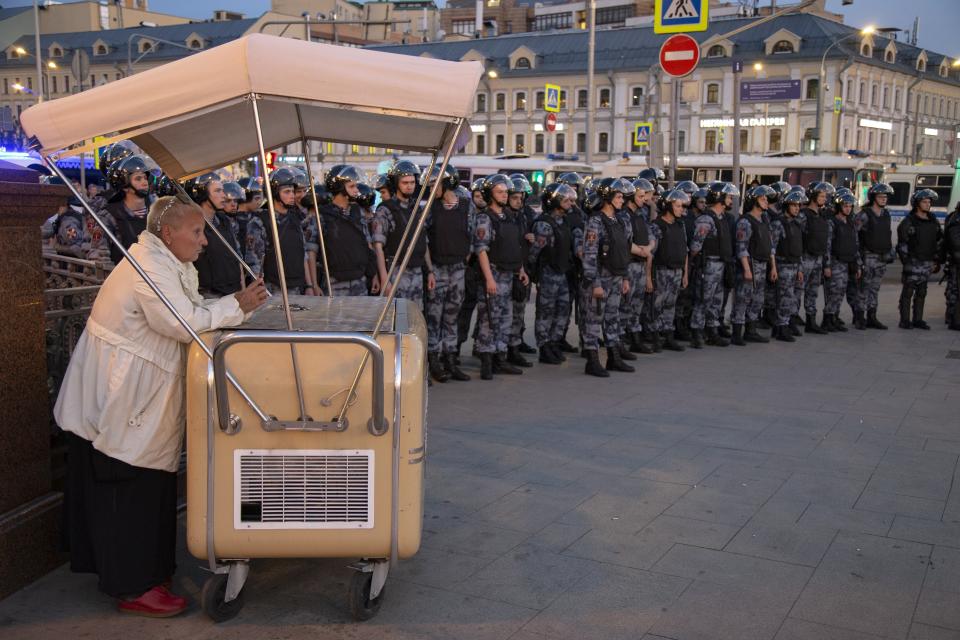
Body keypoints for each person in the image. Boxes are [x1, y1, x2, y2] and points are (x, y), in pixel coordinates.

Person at [54, 196, 267, 617]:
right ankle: (133, 585)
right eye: (197, 232)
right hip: (121, 403)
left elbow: (192, 309)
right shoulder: (147, 267)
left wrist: (230, 308)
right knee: (127, 491)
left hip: (138, 399)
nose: (204, 242)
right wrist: (236, 306)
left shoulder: (166, 261)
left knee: (148, 490)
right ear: (168, 233)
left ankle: (149, 573)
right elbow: (181, 321)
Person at [472, 173, 529, 380]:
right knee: (489, 320)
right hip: (494, 275)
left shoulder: (510, 217)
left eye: (506, 192)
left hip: (509, 275)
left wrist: (520, 270)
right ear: (490, 194)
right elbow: (481, 250)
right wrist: (489, 279)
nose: (505, 196)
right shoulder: (484, 218)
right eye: (500, 192)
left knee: (505, 319)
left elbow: (515, 246)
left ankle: (500, 358)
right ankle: (487, 362)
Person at [581, 178, 635, 376]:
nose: (622, 200)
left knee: (613, 318)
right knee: (594, 319)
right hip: (600, 278)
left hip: (616, 277)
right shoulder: (596, 221)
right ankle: (592, 361)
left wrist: (625, 278)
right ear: (608, 198)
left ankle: (614, 358)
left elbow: (624, 251)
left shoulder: (620, 221)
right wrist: (594, 283)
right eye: (619, 197)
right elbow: (589, 254)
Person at [424, 165, 473, 382]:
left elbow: (472, 235)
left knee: (453, 315)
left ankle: (450, 359)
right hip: (438, 268)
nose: (432, 189)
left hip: (457, 268)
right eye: (430, 185)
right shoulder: (429, 208)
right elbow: (423, 240)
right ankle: (433, 360)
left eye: (436, 184)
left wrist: (464, 258)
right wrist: (430, 270)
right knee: (435, 317)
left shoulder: (464, 205)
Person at [527, 182, 579, 365]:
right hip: (548, 273)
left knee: (563, 311)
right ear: (554, 201)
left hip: (562, 273)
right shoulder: (544, 224)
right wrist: (533, 275)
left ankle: (554, 342)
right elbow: (534, 253)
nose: (571, 203)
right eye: (566, 200)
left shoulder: (563, 221)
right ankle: (544, 347)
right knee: (545, 312)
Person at [308, 165, 378, 296]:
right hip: (333, 283)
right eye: (352, 186)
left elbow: (368, 245)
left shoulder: (359, 212)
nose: (357, 190)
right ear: (339, 188)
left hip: (359, 281)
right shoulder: (322, 215)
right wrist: (313, 285)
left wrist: (374, 274)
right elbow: (311, 252)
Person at [372, 160, 434, 308]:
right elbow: (378, 247)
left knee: (414, 317)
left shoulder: (417, 209)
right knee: (397, 319)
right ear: (396, 184)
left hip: (417, 272)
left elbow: (423, 242)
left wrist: (430, 271)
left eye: (412, 182)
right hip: (396, 272)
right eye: (405, 182)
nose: (409, 186)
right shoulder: (385, 210)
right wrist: (384, 279)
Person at [245, 167, 310, 294]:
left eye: (292, 191)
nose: (292, 195)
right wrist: (262, 291)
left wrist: (309, 286)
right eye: (287, 192)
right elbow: (254, 262)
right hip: (273, 288)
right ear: (274, 193)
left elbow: (303, 254)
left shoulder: (296, 218)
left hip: (297, 286)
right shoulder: (259, 221)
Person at [689, 182, 738, 348]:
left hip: (721, 265)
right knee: (703, 299)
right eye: (729, 197)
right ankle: (697, 333)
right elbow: (695, 247)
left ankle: (712, 331)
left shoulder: (722, 218)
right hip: (709, 265)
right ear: (719, 198)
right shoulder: (706, 219)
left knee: (716, 301)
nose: (731, 200)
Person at [732, 185, 777, 345]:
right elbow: (741, 247)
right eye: (762, 199)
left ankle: (750, 331)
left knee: (757, 299)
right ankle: (737, 332)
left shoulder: (764, 220)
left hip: (762, 265)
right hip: (750, 265)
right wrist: (746, 269)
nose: (766, 202)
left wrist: (773, 267)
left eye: (766, 199)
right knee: (743, 299)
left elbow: (770, 246)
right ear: (754, 201)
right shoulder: (745, 222)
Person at [187, 173, 244, 297]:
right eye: (218, 191)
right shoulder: (191, 224)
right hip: (209, 296)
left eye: (222, 190)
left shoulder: (225, 221)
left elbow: (237, 257)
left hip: (233, 291)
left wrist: (242, 289)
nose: (224, 195)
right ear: (203, 194)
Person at [650, 188, 691, 352]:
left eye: (682, 206)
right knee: (657, 305)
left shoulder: (680, 225)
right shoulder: (657, 226)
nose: (682, 209)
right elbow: (650, 255)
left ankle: (668, 336)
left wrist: (685, 273)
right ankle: (654, 337)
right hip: (661, 271)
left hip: (677, 271)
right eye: (678, 206)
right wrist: (648, 277)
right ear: (668, 206)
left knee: (671, 305)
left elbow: (685, 251)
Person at [897, 189, 943, 330]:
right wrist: (907, 262)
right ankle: (905, 320)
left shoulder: (933, 220)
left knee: (922, 292)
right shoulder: (909, 222)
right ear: (917, 204)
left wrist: (936, 260)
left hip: (927, 262)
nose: (927, 204)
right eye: (924, 202)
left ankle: (918, 319)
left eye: (929, 202)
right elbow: (902, 244)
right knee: (908, 292)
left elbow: (939, 241)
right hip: (913, 262)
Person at [620, 178, 657, 354]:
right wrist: (642, 252)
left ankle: (635, 337)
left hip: (641, 264)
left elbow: (651, 235)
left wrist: (648, 249)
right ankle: (620, 341)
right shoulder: (624, 215)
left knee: (637, 304)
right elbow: (625, 242)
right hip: (630, 265)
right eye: (641, 196)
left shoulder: (641, 215)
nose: (644, 199)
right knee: (624, 305)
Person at [101, 154, 158, 265]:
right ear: (125, 186)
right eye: (138, 178)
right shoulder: (109, 215)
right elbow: (100, 256)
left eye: (145, 178)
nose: (145, 182)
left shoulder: (156, 212)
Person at [854, 183, 895, 330]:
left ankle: (872, 317)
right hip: (868, 257)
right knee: (863, 289)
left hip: (882, 257)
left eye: (885, 197)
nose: (884, 199)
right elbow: (854, 237)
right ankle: (859, 318)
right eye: (880, 197)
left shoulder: (886, 214)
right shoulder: (864, 215)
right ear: (873, 198)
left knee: (875, 289)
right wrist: (858, 260)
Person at [505, 175, 536, 368]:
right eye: (515, 197)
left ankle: (514, 346)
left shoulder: (524, 215)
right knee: (506, 314)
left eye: (521, 197)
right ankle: (505, 349)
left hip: (521, 268)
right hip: (507, 270)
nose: (519, 201)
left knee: (518, 310)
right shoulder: (504, 217)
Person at [822, 191, 862, 332]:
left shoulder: (851, 223)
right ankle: (827, 319)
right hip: (836, 262)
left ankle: (834, 318)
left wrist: (857, 265)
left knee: (841, 293)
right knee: (834, 293)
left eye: (850, 206)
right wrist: (827, 265)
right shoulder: (832, 223)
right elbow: (827, 246)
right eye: (845, 206)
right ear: (839, 206)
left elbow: (855, 245)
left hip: (849, 262)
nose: (848, 209)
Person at [769, 190, 806, 341]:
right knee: (784, 298)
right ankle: (781, 327)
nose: (797, 208)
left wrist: (800, 268)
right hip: (783, 266)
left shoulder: (796, 224)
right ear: (786, 206)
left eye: (798, 205)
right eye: (793, 205)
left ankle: (781, 327)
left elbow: (799, 248)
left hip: (794, 265)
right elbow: (772, 247)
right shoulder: (778, 223)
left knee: (791, 299)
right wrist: (773, 268)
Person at [799, 182, 832, 335]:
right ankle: (789, 321)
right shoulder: (804, 215)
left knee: (812, 292)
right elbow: (798, 238)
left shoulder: (822, 216)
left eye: (825, 196)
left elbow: (826, 241)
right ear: (813, 197)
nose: (824, 199)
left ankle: (811, 321)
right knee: (797, 291)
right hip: (806, 257)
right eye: (821, 196)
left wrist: (826, 263)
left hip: (818, 258)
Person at [942, 202, 960, 330]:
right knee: (954, 290)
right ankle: (952, 318)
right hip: (956, 261)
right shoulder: (956, 219)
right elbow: (955, 242)